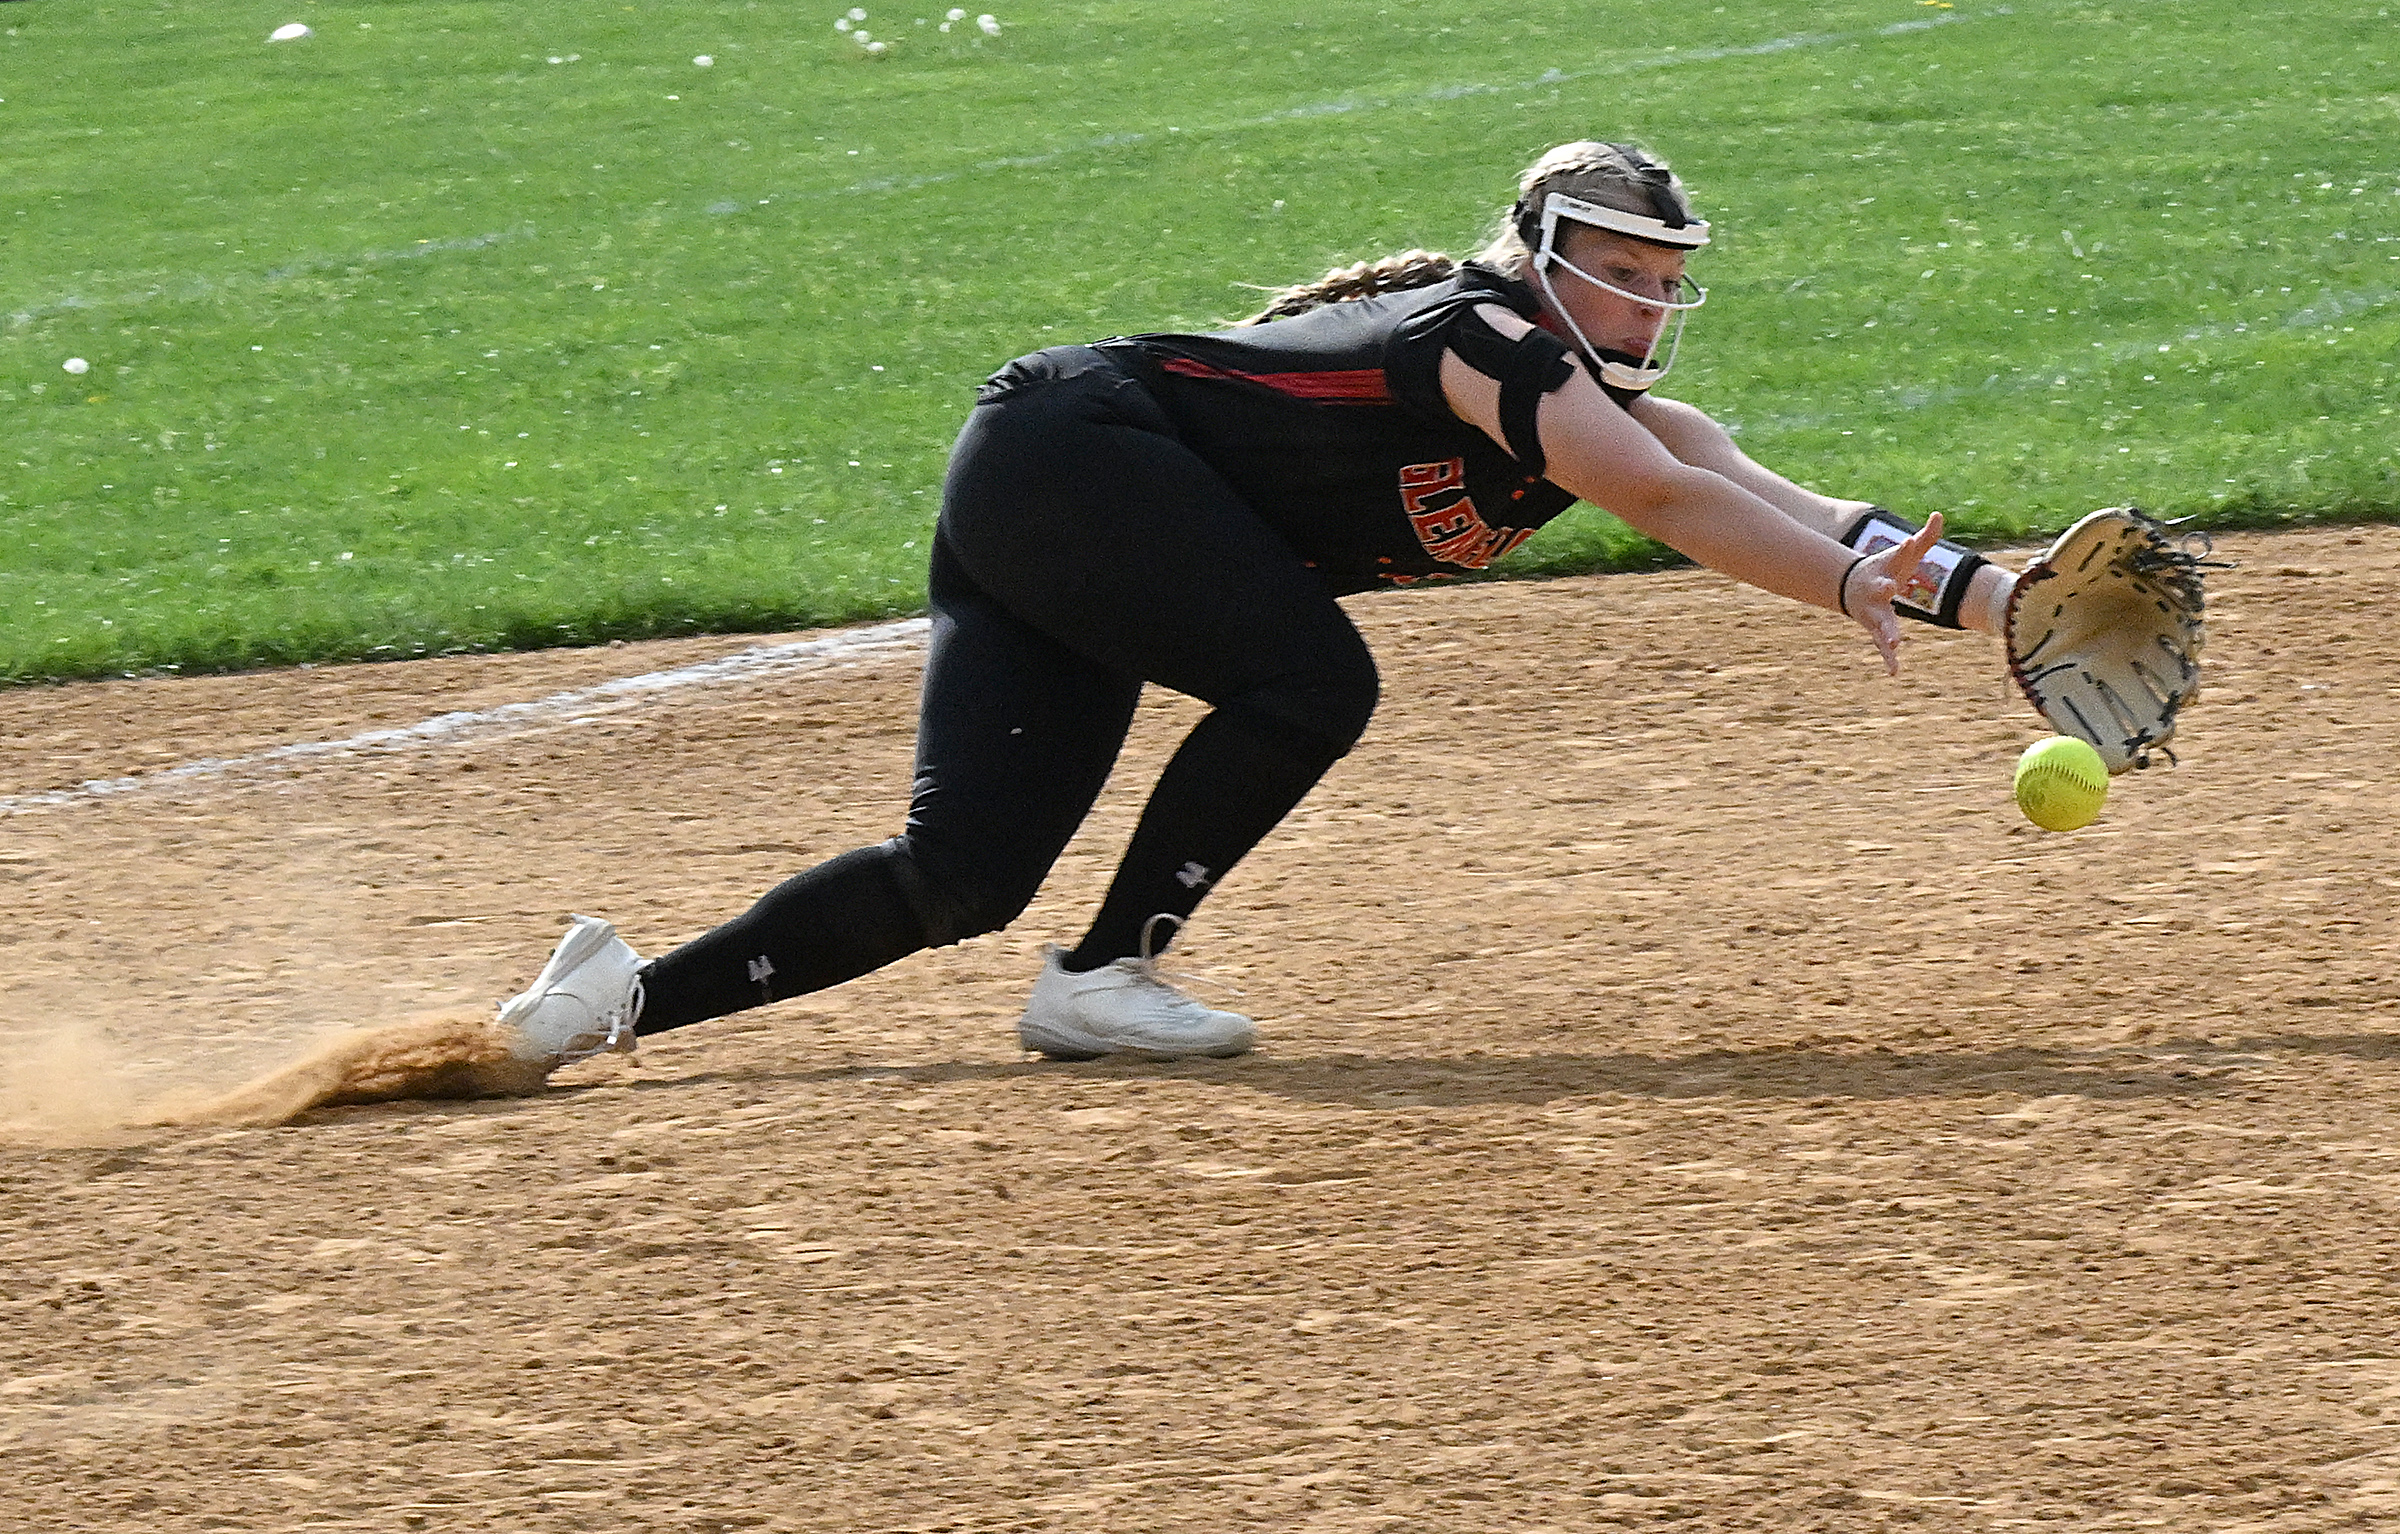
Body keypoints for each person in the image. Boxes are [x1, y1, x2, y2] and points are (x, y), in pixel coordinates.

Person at [495, 139, 2020, 1069]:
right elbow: (1682, 508)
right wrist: (1834, 591)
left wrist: (2004, 602)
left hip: (1057, 490)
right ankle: (1109, 976)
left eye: (1665, 277)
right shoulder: (1491, 339)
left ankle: (606, 1005)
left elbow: (1777, 494)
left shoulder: (1594, 399)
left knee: (960, 875)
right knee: (1313, 681)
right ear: (1541, 262)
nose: (1650, 303)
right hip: (1071, 452)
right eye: (1622, 271)